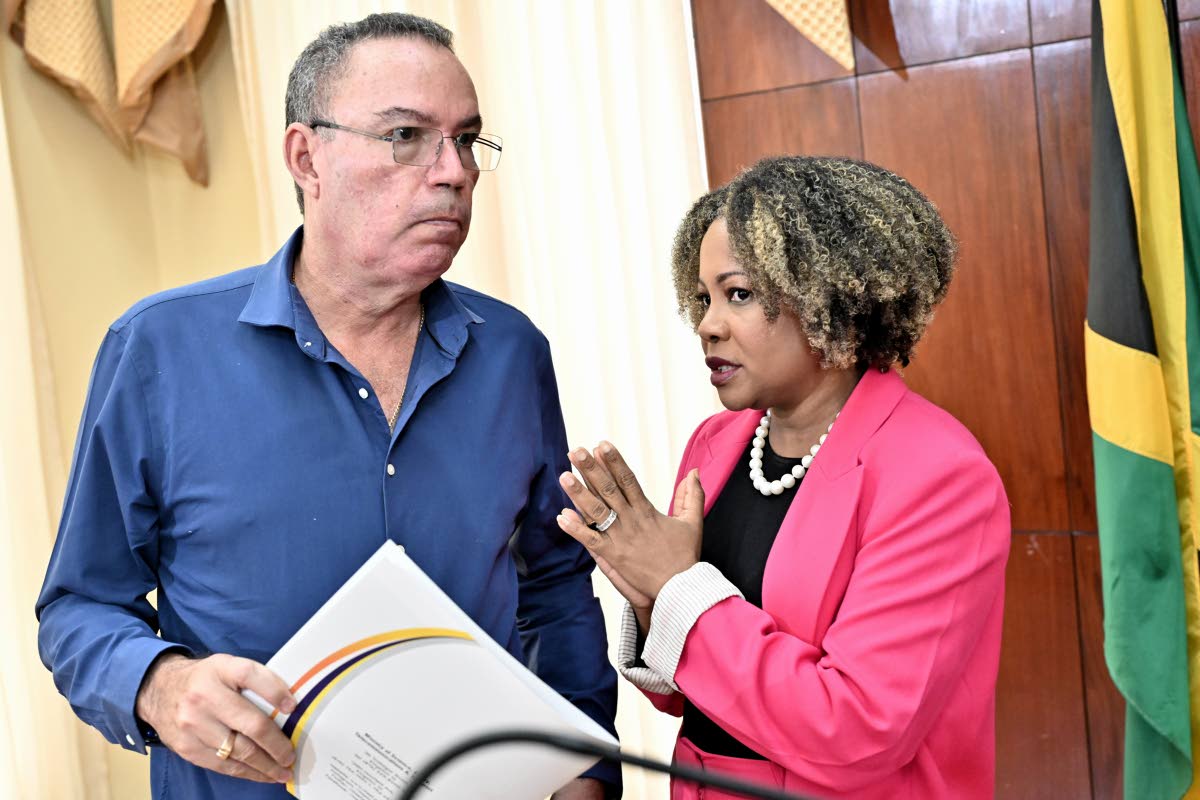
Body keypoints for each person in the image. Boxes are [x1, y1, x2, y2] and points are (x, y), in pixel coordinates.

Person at [35, 13, 617, 800]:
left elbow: (553, 585)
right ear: (306, 157)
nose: (453, 172)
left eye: (465, 140)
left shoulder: (513, 354)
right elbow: (80, 606)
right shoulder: (157, 351)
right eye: (406, 136)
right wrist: (160, 686)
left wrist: (586, 769)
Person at [555, 156, 1010, 799]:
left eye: (738, 294)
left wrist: (677, 588)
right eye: (703, 298)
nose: (708, 324)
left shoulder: (939, 476)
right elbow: (692, 698)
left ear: (833, 298)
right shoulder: (715, 445)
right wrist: (651, 597)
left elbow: (858, 730)